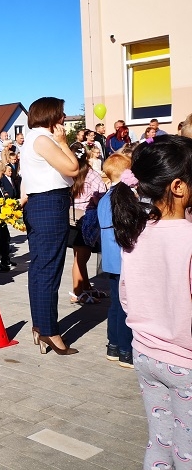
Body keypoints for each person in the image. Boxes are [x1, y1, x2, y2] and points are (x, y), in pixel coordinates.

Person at [109, 135, 192, 470]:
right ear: (178, 187)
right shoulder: (187, 238)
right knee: (187, 451)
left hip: (146, 353)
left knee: (160, 441)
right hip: (186, 362)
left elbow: (126, 294)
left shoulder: (136, 232)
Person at [20, 97, 79, 355]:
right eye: (61, 113)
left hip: (40, 203)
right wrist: (64, 143)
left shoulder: (33, 138)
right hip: (49, 203)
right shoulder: (44, 139)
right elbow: (73, 167)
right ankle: (49, 331)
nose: (64, 117)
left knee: (40, 269)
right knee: (48, 271)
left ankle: (40, 325)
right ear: (50, 115)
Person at [96, 153, 132, 368]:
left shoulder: (105, 197)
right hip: (121, 258)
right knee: (125, 306)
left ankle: (113, 346)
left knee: (116, 305)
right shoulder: (121, 196)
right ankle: (125, 351)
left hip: (111, 259)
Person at [68, 143, 107, 304]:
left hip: (71, 218)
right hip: (87, 219)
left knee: (80, 255)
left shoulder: (67, 173)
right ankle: (77, 292)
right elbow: (101, 197)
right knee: (81, 258)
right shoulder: (92, 175)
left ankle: (85, 287)